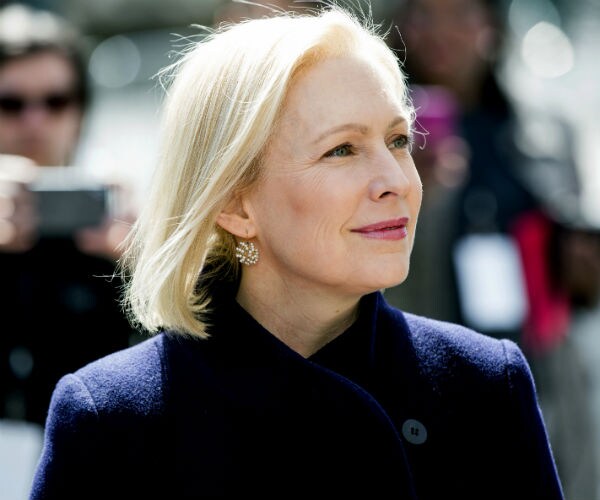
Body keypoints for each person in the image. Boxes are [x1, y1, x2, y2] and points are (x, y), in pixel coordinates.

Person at [30, 5, 564, 499]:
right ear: (234, 203)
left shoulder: (483, 384)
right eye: (342, 150)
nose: (396, 181)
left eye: (398, 141)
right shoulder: (113, 417)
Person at [384, 0, 598, 498]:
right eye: (424, 14)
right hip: (429, 372)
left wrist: (581, 266)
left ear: (493, 27)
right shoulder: (375, 138)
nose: (442, 31)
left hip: (540, 373)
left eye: (461, 14)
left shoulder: (545, 132)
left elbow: (573, 274)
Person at [0, 3, 139, 429]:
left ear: (80, 111)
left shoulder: (116, 222)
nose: (35, 121)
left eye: (56, 101)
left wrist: (151, 264)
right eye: (11, 104)